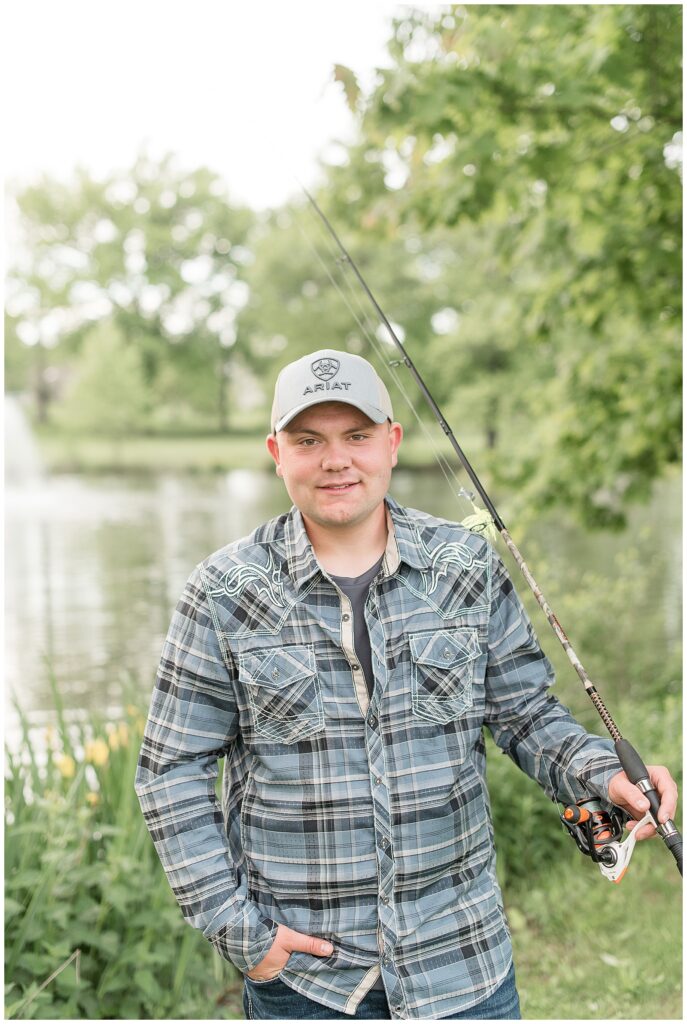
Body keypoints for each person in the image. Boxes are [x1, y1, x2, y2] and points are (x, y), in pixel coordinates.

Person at [135, 349, 677, 1021]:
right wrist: (239, 931)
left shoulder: (465, 566)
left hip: (462, 964)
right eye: (310, 440)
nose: (336, 460)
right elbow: (170, 770)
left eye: (356, 436)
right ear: (277, 451)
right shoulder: (222, 590)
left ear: (390, 443)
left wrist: (604, 775)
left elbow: (526, 717)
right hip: (307, 981)